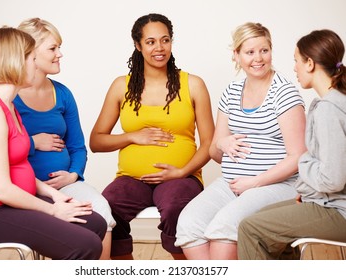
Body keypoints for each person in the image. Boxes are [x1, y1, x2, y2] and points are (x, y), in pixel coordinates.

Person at [0, 26, 107, 260]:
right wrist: (53, 210)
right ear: (15, 62)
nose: (36, 66)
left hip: (5, 206)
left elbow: (18, 169)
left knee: (93, 222)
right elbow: (2, 189)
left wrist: (53, 195)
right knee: (85, 244)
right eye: (33, 59)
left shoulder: (8, 106)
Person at [175, 22, 307, 260]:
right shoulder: (231, 92)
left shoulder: (284, 93)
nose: (258, 58)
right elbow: (216, 151)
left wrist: (254, 182)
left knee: (224, 227)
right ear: (236, 55)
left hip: (277, 185)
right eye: (249, 52)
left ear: (271, 51)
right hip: (232, 183)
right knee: (188, 224)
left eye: (264, 50)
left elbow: (298, 157)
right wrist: (222, 144)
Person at [89, 13, 215, 259]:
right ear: (138, 45)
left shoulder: (193, 84)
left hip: (181, 177)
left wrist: (181, 171)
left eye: (165, 40)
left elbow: (209, 143)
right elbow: (96, 141)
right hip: (131, 179)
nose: (159, 48)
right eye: (150, 42)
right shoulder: (121, 86)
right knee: (107, 209)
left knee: (177, 208)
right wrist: (132, 136)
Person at [238, 29, 346, 260]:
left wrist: (303, 161)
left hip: (338, 211)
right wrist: (307, 191)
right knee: (260, 219)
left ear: (310, 63)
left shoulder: (330, 109)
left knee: (252, 229)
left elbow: (333, 178)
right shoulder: (329, 101)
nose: (294, 68)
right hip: (328, 202)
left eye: (296, 61)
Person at [15, 18, 115, 260]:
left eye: (59, 47)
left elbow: (78, 147)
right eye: (52, 48)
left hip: (67, 185)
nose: (60, 54)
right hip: (24, 188)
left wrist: (72, 175)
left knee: (101, 210)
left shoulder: (63, 93)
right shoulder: (9, 96)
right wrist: (33, 142)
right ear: (31, 52)